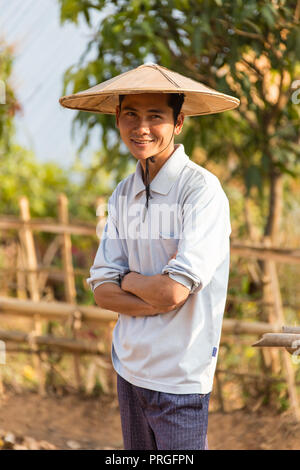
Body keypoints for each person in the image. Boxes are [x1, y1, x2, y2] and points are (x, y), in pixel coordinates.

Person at [59, 63, 240, 450]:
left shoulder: (202, 191)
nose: (141, 127)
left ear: (179, 122)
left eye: (155, 116)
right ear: (118, 120)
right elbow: (101, 292)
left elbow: (173, 293)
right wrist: (147, 289)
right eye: (131, 115)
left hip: (180, 374)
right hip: (130, 367)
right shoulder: (124, 193)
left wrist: (128, 279)